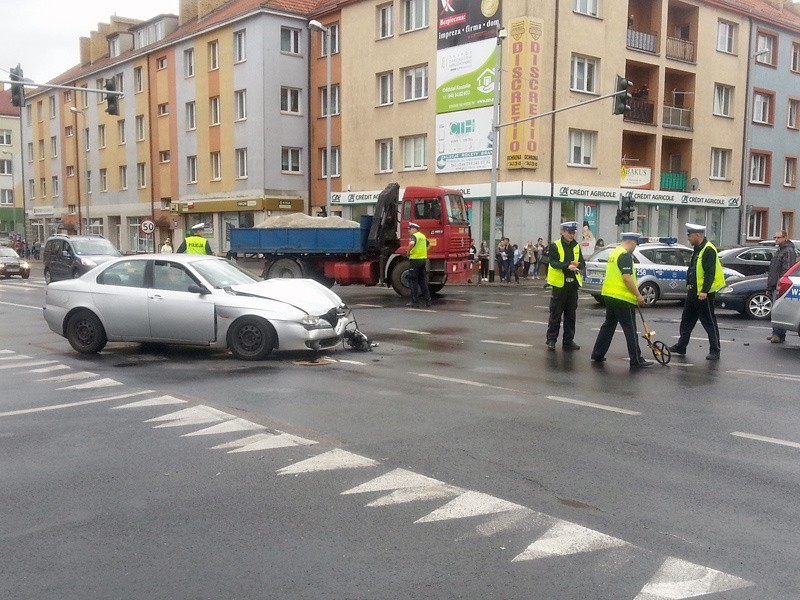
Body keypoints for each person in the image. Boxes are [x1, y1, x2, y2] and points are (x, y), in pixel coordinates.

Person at [590, 232, 653, 368]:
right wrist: (638, 295)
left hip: (610, 295)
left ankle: (597, 354)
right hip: (622, 298)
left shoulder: (614, 252)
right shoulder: (625, 256)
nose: (635, 248)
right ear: (633, 242)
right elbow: (626, 277)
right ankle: (636, 359)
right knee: (630, 329)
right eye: (636, 245)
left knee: (608, 325)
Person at [668, 224, 724, 360]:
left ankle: (715, 350)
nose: (688, 238)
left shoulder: (708, 249)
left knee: (709, 322)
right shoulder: (698, 249)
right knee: (686, 321)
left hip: (704, 294)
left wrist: (704, 291)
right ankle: (681, 346)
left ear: (698, 235)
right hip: (693, 292)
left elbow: (710, 273)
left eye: (689, 235)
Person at [545, 222, 585, 351]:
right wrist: (567, 265)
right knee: (556, 314)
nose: (571, 235)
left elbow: (582, 263)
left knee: (570, 314)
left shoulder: (576, 246)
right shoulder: (555, 245)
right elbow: (553, 262)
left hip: (572, 284)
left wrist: (578, 265)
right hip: (559, 285)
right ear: (563, 232)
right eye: (569, 232)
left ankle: (568, 340)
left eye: (573, 233)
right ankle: (551, 339)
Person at [766, 230, 798, 343]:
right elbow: (773, 270)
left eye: (779, 237)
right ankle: (776, 333)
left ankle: (778, 334)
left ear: (785, 238)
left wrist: (780, 284)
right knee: (776, 309)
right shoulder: (780, 250)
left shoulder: (788, 251)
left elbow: (787, 269)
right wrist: (770, 287)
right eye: (775, 237)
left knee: (779, 309)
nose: (776, 239)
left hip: (781, 286)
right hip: (775, 285)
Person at [405, 222, 431, 307]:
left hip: (415, 260)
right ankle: (428, 301)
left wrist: (408, 252)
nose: (408, 231)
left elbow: (411, 244)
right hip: (423, 260)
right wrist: (424, 251)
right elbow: (430, 245)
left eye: (409, 229)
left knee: (413, 281)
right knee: (423, 281)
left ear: (414, 229)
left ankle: (415, 301)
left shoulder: (414, 236)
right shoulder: (422, 236)